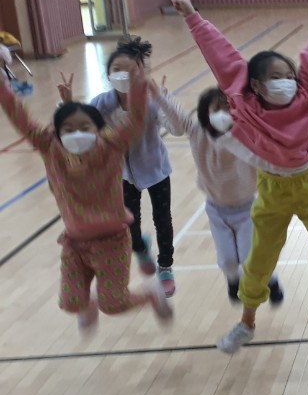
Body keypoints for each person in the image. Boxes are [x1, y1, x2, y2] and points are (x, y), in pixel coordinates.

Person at [174, 0, 308, 353]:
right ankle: (246, 323)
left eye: (289, 75)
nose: (286, 81)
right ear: (255, 85)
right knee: (259, 261)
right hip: (271, 190)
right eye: (275, 77)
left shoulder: (305, 94)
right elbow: (223, 56)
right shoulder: (247, 104)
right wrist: (193, 17)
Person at [0, 57, 171, 330]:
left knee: (113, 304)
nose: (76, 134)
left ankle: (151, 294)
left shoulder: (110, 146)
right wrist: (3, 87)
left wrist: (138, 87)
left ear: (98, 130)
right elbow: (21, 118)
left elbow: (136, 119)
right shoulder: (51, 148)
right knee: (70, 303)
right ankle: (87, 304)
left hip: (113, 242)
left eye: (84, 128)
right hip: (75, 244)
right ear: (57, 133)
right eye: (68, 129)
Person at [150, 81, 284, 305]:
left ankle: (271, 280)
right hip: (216, 210)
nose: (223, 113)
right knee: (228, 260)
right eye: (217, 108)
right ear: (206, 112)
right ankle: (233, 280)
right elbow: (179, 116)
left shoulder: (245, 133)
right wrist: (159, 95)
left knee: (250, 257)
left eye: (227, 107)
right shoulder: (197, 132)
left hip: (248, 209)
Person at [64, 36, 177, 296]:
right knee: (128, 224)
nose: (123, 75)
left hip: (156, 170)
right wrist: (68, 102)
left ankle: (166, 266)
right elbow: (79, 125)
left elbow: (176, 127)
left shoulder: (151, 101)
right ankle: (140, 247)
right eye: (117, 69)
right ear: (108, 74)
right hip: (122, 175)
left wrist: (164, 100)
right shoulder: (101, 105)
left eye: (131, 70)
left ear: (141, 74)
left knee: (163, 219)